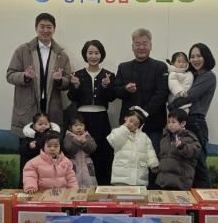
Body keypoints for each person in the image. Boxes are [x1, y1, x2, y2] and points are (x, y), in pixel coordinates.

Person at [6, 12, 72, 185]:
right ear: (36, 28)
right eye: (42, 26)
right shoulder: (23, 50)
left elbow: (68, 81)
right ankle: (26, 190)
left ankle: (51, 191)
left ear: (54, 29)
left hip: (51, 112)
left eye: (49, 27)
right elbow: (10, 75)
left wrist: (60, 80)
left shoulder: (61, 54)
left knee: (51, 158)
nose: (45, 30)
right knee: (28, 157)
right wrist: (25, 76)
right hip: (28, 112)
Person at [112, 28, 168, 186]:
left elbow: (162, 93)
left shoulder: (160, 67)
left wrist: (143, 114)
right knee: (127, 163)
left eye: (145, 43)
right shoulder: (123, 67)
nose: (141, 47)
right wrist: (125, 89)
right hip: (128, 127)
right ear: (132, 47)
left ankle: (153, 196)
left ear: (151, 46)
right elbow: (115, 91)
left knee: (153, 163)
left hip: (153, 124)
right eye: (137, 44)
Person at [67, 40, 115, 184]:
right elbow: (72, 97)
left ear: (101, 55)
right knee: (82, 151)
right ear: (85, 55)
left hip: (101, 118)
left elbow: (112, 97)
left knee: (103, 152)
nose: (93, 56)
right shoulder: (77, 74)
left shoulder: (108, 75)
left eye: (96, 53)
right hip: (82, 119)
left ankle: (103, 186)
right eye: (90, 53)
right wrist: (75, 86)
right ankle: (80, 185)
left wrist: (106, 87)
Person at [169, 43, 217, 188]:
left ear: (206, 57)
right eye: (192, 56)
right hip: (183, 122)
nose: (195, 59)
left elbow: (190, 96)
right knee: (184, 166)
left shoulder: (208, 76)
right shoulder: (191, 75)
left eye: (199, 56)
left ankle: (206, 199)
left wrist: (171, 106)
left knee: (199, 164)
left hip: (196, 123)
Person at [107, 107, 159, 186]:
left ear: (139, 126)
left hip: (139, 179)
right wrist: (124, 129)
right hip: (122, 177)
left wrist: (153, 164)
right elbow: (114, 141)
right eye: (131, 121)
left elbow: (150, 151)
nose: (132, 125)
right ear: (126, 118)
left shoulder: (144, 136)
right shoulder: (117, 131)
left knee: (139, 193)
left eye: (136, 124)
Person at [156, 109, 201, 190]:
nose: (170, 125)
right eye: (168, 122)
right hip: (163, 183)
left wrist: (181, 146)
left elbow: (194, 151)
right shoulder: (164, 138)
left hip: (179, 184)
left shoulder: (190, 137)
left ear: (183, 123)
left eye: (173, 122)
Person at [19, 112, 61, 185]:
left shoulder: (54, 137)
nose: (43, 126)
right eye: (40, 124)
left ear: (50, 125)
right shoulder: (29, 137)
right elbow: (21, 150)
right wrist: (29, 146)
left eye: (46, 124)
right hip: (32, 169)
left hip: (48, 169)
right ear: (34, 126)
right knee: (31, 184)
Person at [63, 115, 98, 188]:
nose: (79, 128)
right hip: (73, 164)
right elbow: (69, 150)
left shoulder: (87, 136)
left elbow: (93, 148)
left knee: (90, 184)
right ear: (70, 127)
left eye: (81, 125)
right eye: (76, 125)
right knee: (74, 182)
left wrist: (85, 142)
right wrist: (77, 142)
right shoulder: (68, 137)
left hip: (87, 164)